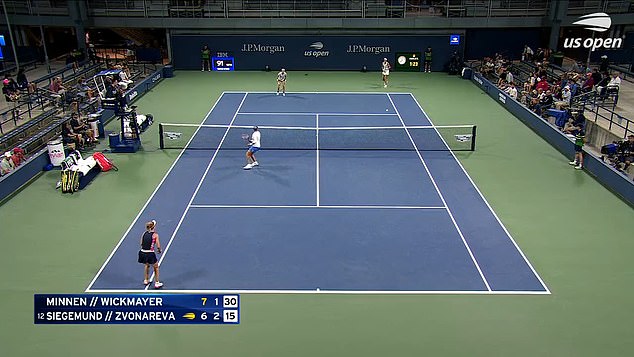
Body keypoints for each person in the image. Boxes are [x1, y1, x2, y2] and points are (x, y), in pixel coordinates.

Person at [138, 220, 163, 289]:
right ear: (153, 227)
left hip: (142, 252)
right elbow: (158, 245)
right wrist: (159, 250)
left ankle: (146, 280)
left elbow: (141, 243)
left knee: (147, 265)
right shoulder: (155, 235)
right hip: (150, 253)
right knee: (156, 267)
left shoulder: (144, 233)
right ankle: (157, 283)